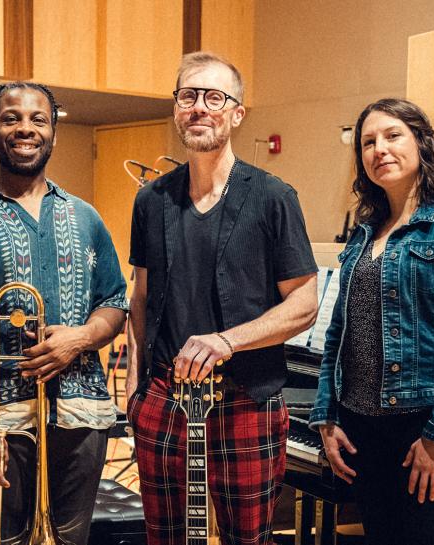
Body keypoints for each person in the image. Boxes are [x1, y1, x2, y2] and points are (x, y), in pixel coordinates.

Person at [127, 51, 319, 545]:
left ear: (237, 113)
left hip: (246, 398)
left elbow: (304, 304)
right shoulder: (151, 200)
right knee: (164, 537)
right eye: (188, 95)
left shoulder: (274, 197)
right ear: (175, 108)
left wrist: (226, 341)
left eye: (215, 97)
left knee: (247, 538)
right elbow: (141, 297)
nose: (199, 107)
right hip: (164, 397)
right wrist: (133, 391)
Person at [0, 82, 128, 545]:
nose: (26, 129)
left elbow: (114, 302)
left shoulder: (86, 217)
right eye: (11, 118)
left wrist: (80, 338)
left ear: (53, 132)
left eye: (39, 119)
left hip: (81, 414)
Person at [309, 98, 434, 545]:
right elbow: (340, 332)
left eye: (393, 135)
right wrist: (327, 416)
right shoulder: (364, 232)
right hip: (360, 428)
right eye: (368, 142)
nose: (379, 149)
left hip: (421, 428)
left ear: (421, 142)